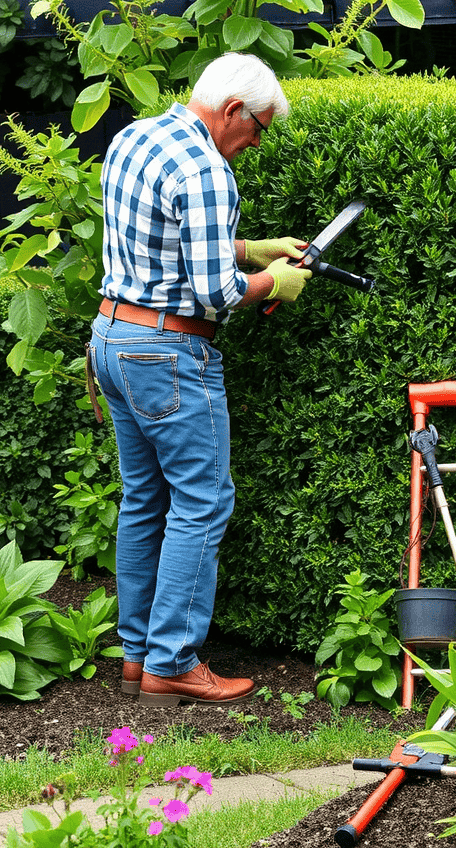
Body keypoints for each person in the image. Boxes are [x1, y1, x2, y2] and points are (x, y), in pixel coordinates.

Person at [88, 52, 312, 708]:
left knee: (144, 500)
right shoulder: (209, 170)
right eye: (259, 128)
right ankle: (173, 662)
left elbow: (165, 239)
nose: (257, 142)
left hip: (113, 341)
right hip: (169, 353)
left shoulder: (136, 138)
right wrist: (278, 282)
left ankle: (138, 657)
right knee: (202, 502)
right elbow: (213, 292)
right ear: (234, 110)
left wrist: (254, 247)